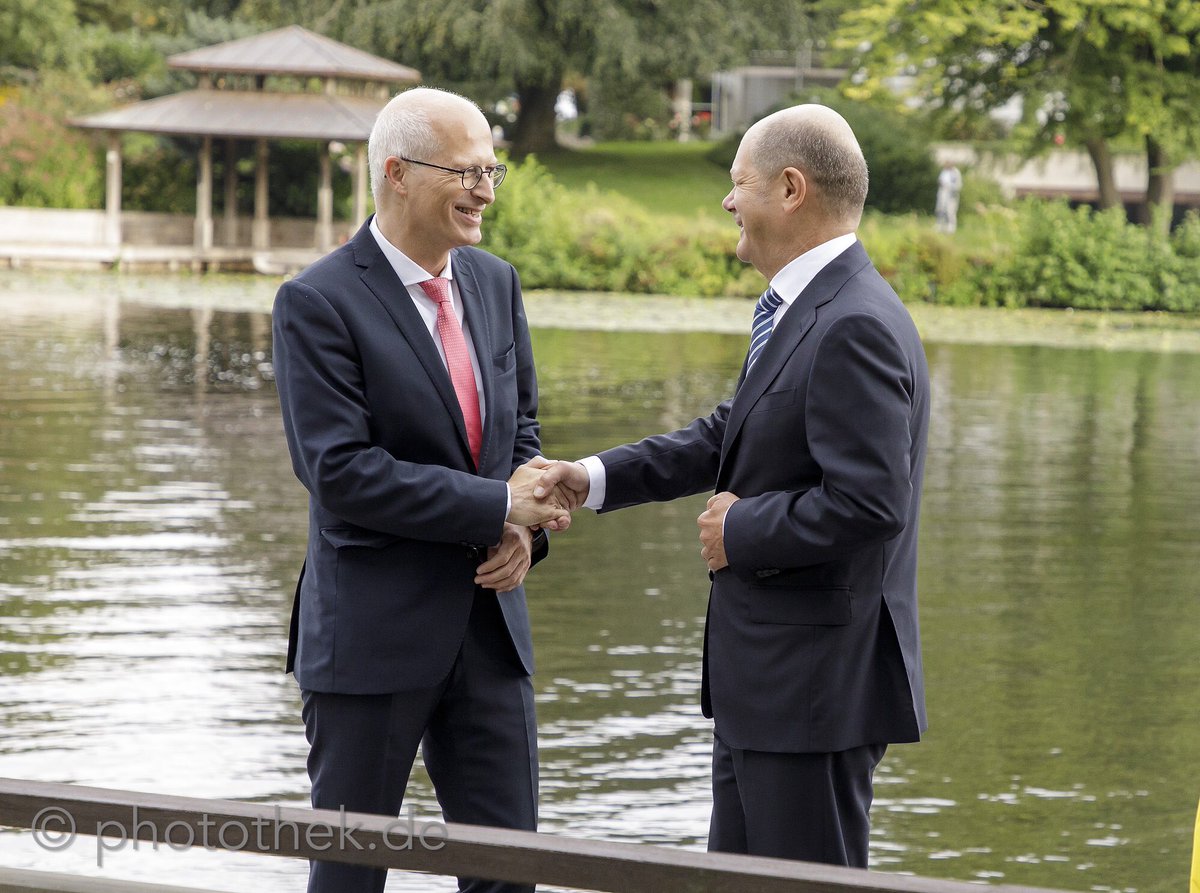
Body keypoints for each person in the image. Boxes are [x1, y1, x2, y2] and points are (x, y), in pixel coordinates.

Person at [535, 104, 929, 869]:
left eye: (737, 182)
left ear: (790, 189)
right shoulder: (804, 308)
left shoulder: (855, 323)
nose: (726, 201)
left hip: (812, 695)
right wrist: (590, 477)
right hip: (767, 691)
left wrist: (739, 530)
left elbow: (872, 502)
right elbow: (729, 434)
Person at [271, 86, 567, 893]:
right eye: (466, 171)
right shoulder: (316, 301)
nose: (485, 190)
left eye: (492, 171)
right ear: (396, 173)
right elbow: (340, 472)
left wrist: (525, 530)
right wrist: (496, 505)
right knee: (350, 875)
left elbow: (522, 436)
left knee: (509, 876)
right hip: (371, 639)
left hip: (491, 636)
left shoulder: (497, 283)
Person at [935, 160, 963, 233]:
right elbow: (940, 180)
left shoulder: (956, 172)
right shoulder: (944, 171)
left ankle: (951, 227)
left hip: (951, 195)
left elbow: (958, 186)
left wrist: (948, 185)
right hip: (942, 193)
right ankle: (940, 226)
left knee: (950, 211)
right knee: (940, 210)